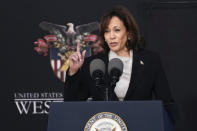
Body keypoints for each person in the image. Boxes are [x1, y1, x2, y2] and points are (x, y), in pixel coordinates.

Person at [64, 5, 178, 123]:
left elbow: (167, 102)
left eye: (117, 30)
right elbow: (71, 104)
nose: (111, 36)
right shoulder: (93, 64)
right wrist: (73, 72)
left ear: (129, 33)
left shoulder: (150, 60)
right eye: (107, 31)